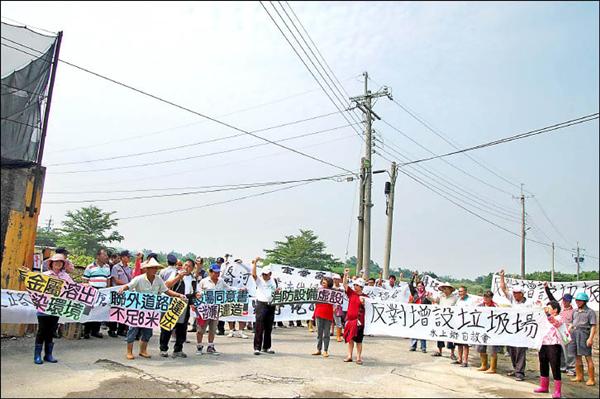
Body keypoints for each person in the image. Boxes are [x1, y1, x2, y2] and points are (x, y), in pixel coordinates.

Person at [118, 257, 187, 360]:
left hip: (151, 310)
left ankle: (143, 350)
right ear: (147, 269)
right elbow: (129, 285)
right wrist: (123, 288)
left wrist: (178, 295)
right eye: (152, 268)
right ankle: (129, 352)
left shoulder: (158, 279)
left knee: (148, 332)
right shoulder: (139, 278)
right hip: (138, 309)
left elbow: (166, 291)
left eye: (156, 268)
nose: (154, 270)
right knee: (133, 330)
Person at [34, 253, 74, 364]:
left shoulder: (65, 276)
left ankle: (48, 354)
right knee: (42, 330)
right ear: (51, 263)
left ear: (63, 264)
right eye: (56, 262)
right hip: (44, 306)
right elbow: (37, 288)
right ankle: (37, 355)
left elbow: (73, 288)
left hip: (56, 307)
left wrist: (84, 286)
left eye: (60, 262)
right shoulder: (45, 275)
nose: (58, 264)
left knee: (51, 331)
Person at [195, 262, 237, 355]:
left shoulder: (221, 281)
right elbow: (197, 293)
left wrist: (239, 289)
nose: (217, 274)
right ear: (210, 272)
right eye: (215, 272)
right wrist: (200, 296)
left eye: (218, 272)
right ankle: (199, 346)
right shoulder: (203, 281)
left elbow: (229, 289)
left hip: (215, 309)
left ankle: (210, 346)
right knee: (201, 329)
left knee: (213, 329)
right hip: (204, 309)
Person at [499, 269, 531, 380]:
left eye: (517, 293)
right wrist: (502, 277)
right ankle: (515, 368)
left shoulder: (528, 303)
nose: (515, 295)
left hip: (522, 330)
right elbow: (503, 289)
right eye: (514, 293)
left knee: (520, 351)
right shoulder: (512, 300)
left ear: (521, 294)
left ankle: (520, 373)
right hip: (512, 329)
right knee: (511, 350)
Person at [160, 258, 194, 358]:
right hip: (173, 303)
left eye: (189, 266)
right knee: (167, 326)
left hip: (185, 304)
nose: (186, 267)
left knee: (182, 328)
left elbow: (192, 292)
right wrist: (179, 277)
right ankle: (163, 349)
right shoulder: (175, 273)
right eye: (185, 265)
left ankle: (178, 349)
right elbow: (166, 285)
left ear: (192, 269)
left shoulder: (193, 278)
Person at [534, 300, 565, 398]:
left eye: (549, 308)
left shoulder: (559, 318)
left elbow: (555, 322)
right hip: (543, 344)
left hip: (554, 344)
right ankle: (544, 386)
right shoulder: (544, 317)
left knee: (555, 366)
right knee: (543, 364)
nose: (547, 309)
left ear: (555, 310)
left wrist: (547, 313)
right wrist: (539, 305)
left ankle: (557, 391)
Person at [544, 282, 575, 376]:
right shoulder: (558, 308)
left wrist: (570, 327)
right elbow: (551, 298)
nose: (565, 302)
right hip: (556, 332)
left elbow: (574, 321)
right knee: (559, 350)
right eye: (564, 300)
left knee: (569, 352)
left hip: (566, 332)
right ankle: (562, 367)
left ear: (570, 301)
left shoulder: (573, 311)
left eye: (567, 301)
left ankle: (571, 368)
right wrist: (546, 288)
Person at [251, 257, 278, 355]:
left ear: (270, 274)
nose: (264, 276)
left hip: (271, 305)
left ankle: (266, 347)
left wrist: (277, 292)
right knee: (259, 326)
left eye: (266, 274)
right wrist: (255, 262)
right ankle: (257, 347)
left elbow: (276, 292)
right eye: (263, 274)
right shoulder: (260, 281)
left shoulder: (274, 281)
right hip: (261, 304)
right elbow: (253, 275)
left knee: (268, 327)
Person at [82, 248, 111, 339]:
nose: (106, 257)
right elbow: (85, 280)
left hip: (102, 291)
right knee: (88, 311)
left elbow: (108, 280)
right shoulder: (90, 267)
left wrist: (108, 290)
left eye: (106, 255)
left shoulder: (107, 267)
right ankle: (86, 331)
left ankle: (95, 331)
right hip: (92, 291)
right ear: (98, 256)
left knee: (99, 311)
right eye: (104, 255)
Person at [569, 292, 596, 386]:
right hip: (574, 333)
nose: (577, 302)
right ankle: (579, 376)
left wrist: (590, 338)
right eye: (576, 300)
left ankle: (591, 379)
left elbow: (593, 326)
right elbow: (572, 323)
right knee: (576, 356)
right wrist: (568, 330)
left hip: (584, 334)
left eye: (580, 300)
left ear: (585, 301)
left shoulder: (590, 312)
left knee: (588, 357)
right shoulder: (575, 311)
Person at [342, 268, 367, 365]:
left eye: (357, 285)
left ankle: (359, 357)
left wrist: (364, 303)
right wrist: (345, 275)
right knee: (350, 339)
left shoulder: (365, 297)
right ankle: (349, 356)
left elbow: (369, 308)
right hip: (350, 320)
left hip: (359, 322)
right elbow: (345, 285)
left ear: (361, 287)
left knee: (359, 341)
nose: (355, 287)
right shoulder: (351, 294)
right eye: (355, 285)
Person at [107, 250, 133, 337]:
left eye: (129, 257)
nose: (129, 258)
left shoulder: (129, 268)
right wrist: (127, 284)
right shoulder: (116, 267)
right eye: (128, 257)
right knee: (115, 310)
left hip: (126, 292)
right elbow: (116, 280)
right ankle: (112, 330)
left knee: (123, 311)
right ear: (122, 257)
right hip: (117, 291)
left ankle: (121, 330)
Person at [430, 282, 457, 359]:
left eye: (446, 288)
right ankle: (440, 351)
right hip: (441, 318)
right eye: (443, 288)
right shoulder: (441, 297)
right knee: (440, 335)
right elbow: (435, 301)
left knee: (451, 336)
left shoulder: (455, 298)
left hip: (451, 320)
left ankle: (452, 353)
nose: (444, 290)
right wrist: (429, 297)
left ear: (450, 289)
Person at [476, 291, 500, 373]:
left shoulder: (496, 306)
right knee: (481, 348)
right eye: (485, 296)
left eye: (488, 297)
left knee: (493, 349)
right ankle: (484, 365)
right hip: (482, 329)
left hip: (493, 330)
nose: (486, 298)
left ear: (491, 298)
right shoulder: (479, 306)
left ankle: (493, 368)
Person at [408, 271, 430, 353]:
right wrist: (413, 276)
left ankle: (423, 347)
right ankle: (413, 346)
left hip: (424, 314)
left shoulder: (427, 295)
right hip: (415, 314)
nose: (420, 287)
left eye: (421, 286)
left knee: (423, 331)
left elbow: (430, 304)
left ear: (424, 287)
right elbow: (410, 285)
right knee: (414, 330)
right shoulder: (415, 293)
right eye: (418, 286)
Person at [312, 277, 334, 358]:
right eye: (323, 282)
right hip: (319, 313)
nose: (323, 283)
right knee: (319, 333)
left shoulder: (333, 292)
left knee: (326, 333)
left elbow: (337, 302)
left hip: (328, 314)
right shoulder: (318, 290)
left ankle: (325, 350)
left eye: (325, 282)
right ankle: (318, 349)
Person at [453, 285, 475, 367]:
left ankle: (465, 361)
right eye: (459, 291)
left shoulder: (470, 301)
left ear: (466, 292)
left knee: (465, 344)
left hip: (466, 324)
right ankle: (459, 359)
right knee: (459, 343)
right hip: (458, 324)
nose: (460, 293)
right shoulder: (458, 300)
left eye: (461, 291)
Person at [332, 273, 345, 342]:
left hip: (339, 307)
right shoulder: (330, 287)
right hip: (329, 306)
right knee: (328, 322)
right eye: (334, 279)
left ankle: (338, 336)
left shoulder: (342, 287)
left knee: (338, 322)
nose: (335, 280)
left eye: (337, 279)